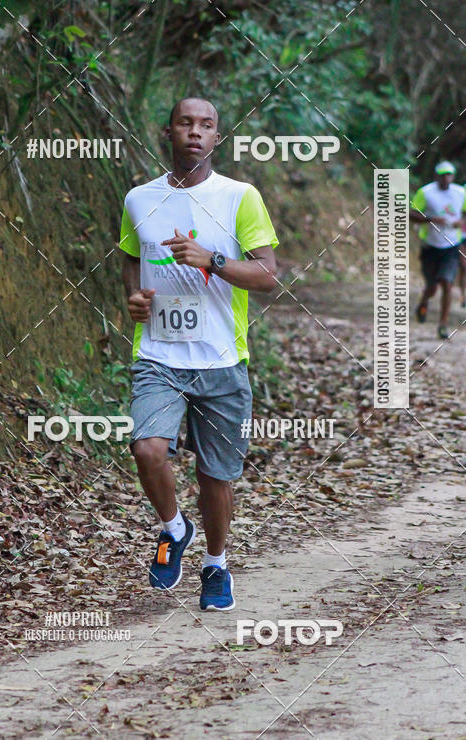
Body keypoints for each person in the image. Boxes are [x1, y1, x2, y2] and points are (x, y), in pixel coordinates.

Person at [119, 97, 278, 611]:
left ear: (216, 138)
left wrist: (211, 260)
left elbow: (269, 277)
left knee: (215, 477)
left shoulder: (240, 196)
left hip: (221, 358)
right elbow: (130, 258)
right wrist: (135, 297)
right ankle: (173, 527)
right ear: (168, 131)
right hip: (159, 355)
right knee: (148, 450)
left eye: (205, 125)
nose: (195, 132)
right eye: (186, 123)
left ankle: (216, 565)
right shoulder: (139, 199)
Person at [410, 161, 466, 339]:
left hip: (452, 246)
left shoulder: (461, 193)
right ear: (436, 176)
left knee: (447, 283)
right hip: (430, 245)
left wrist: (463, 222)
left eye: (449, 174)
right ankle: (423, 301)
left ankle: (443, 324)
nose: (446, 178)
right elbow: (411, 213)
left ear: (453, 176)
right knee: (432, 287)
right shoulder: (426, 192)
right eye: (442, 174)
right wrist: (429, 218)